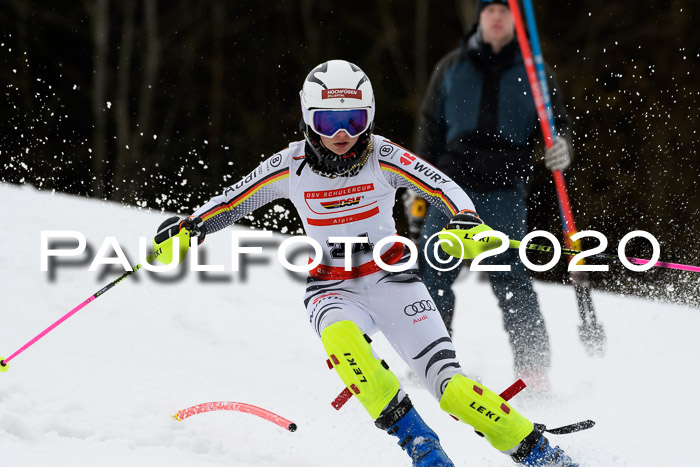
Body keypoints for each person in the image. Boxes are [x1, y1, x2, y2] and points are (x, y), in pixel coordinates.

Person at [157, 60, 578, 466]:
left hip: (393, 282)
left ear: (370, 117)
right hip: (332, 288)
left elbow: (441, 186)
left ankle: (547, 458)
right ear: (307, 119)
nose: (341, 134)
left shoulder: (382, 155)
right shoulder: (290, 165)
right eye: (326, 123)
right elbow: (232, 202)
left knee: (453, 391)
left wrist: (464, 221)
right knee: (348, 349)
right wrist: (189, 229)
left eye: (354, 121)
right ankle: (423, 450)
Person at [415, 0, 573, 391]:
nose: (498, 16)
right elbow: (429, 129)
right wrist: (416, 184)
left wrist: (563, 146)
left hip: (504, 189)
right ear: (480, 17)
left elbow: (559, 125)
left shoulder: (535, 74)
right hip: (449, 188)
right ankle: (431, 361)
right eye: (491, 10)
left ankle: (534, 371)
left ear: (515, 20)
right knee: (431, 274)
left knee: (511, 278)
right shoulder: (450, 68)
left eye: (505, 10)